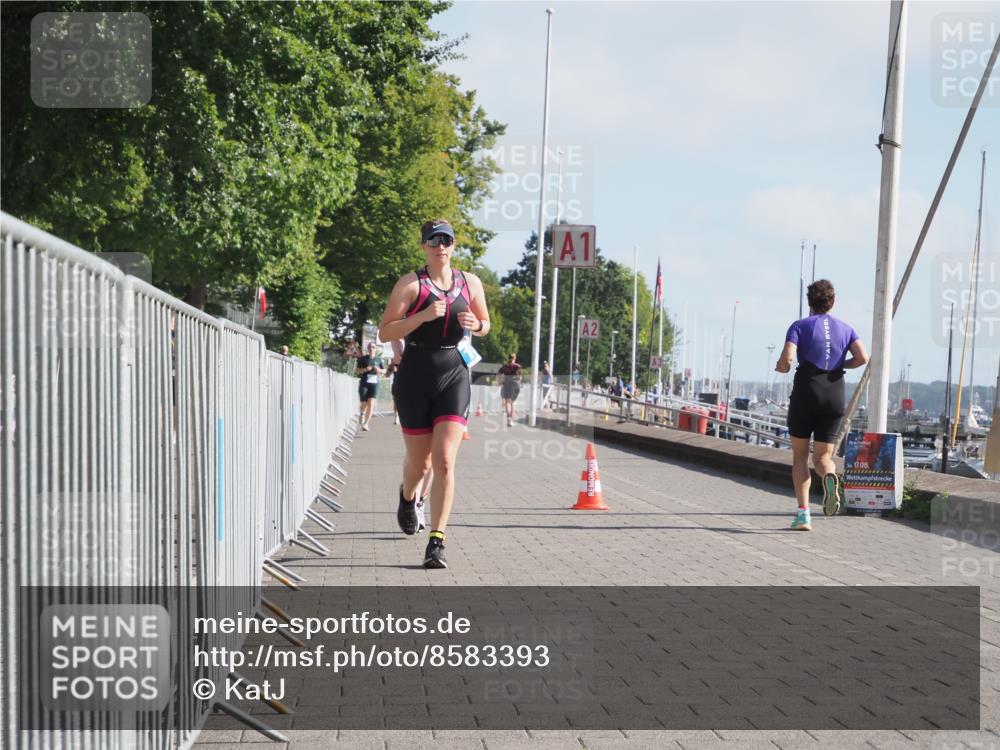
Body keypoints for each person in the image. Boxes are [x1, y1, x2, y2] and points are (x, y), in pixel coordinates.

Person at [378, 219, 491, 568]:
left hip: (454, 374)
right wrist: (424, 315)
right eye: (433, 240)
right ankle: (407, 495)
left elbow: (486, 324)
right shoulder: (411, 285)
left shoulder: (470, 283)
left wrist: (478, 325)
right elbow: (385, 332)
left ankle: (437, 542)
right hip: (414, 375)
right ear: (424, 246)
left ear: (454, 245)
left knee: (443, 461)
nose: (440, 246)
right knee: (419, 463)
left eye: (446, 240)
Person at [775, 279, 869, 531]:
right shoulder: (846, 328)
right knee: (824, 457)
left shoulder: (799, 326)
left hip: (807, 391)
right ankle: (828, 475)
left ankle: (803, 514)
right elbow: (862, 357)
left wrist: (781, 366)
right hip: (834, 394)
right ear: (832, 302)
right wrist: (841, 364)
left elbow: (787, 357)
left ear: (810, 302)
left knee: (800, 457)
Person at [355, 342, 384, 431]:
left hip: (374, 383)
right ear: (367, 349)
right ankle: (362, 414)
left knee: (371, 403)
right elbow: (357, 371)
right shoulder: (363, 359)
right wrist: (365, 369)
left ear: (375, 349)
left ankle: (366, 423)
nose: (371, 348)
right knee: (364, 402)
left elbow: (384, 371)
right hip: (364, 382)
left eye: (373, 347)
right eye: (370, 347)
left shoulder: (379, 360)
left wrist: (378, 370)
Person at [497, 352, 522, 427]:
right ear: (515, 358)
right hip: (515, 384)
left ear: (508, 358)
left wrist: (500, 381)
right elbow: (520, 377)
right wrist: (519, 382)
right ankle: (511, 417)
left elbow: (498, 374)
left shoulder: (505, 366)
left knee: (508, 402)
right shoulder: (518, 366)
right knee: (512, 402)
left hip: (507, 383)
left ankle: (509, 418)